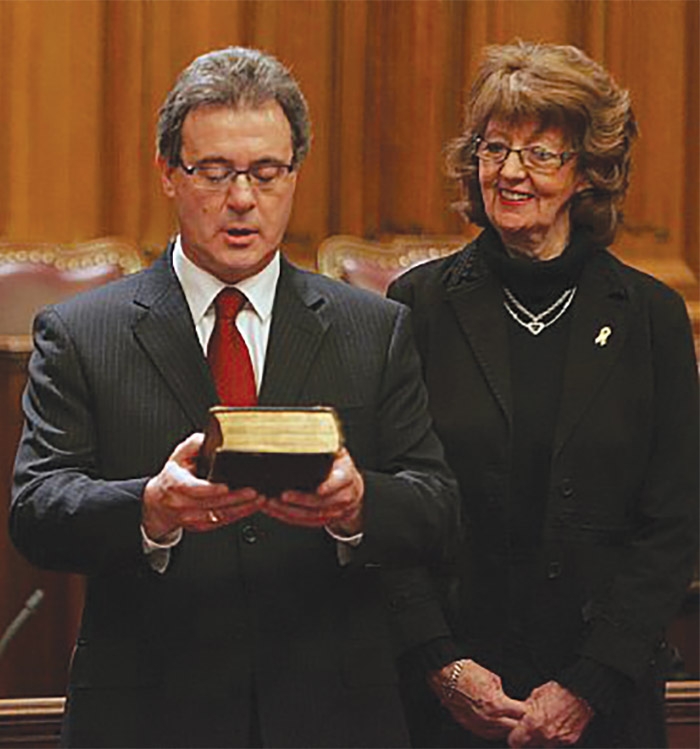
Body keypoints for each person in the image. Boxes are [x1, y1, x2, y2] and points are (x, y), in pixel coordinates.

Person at [10, 46, 458, 749]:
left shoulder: (374, 327)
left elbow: (436, 504)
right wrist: (149, 508)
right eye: (215, 172)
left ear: (294, 175)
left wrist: (357, 501)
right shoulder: (81, 331)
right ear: (168, 173)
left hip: (333, 713)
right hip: (148, 715)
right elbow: (37, 510)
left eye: (266, 172)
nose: (242, 198)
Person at [388, 41, 699, 748]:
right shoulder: (419, 306)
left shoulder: (650, 316)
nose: (511, 172)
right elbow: (389, 509)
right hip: (449, 698)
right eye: (494, 149)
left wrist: (589, 683)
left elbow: (674, 522)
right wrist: (442, 663)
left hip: (606, 698)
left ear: (589, 171)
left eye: (541, 154)